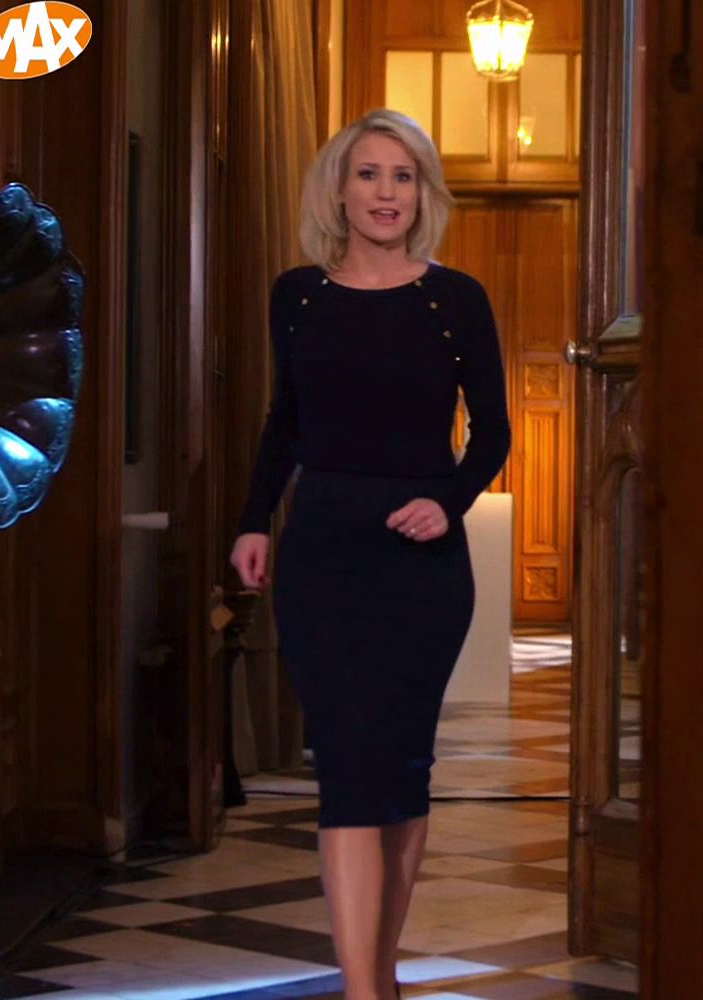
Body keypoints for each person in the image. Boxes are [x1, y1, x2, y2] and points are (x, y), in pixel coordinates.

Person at [228, 108, 510, 1000]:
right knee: (347, 771)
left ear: (423, 194)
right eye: (369, 174)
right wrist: (252, 520)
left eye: (403, 176)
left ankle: (378, 974)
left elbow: (493, 434)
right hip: (322, 549)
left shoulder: (456, 299)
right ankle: (363, 991)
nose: (386, 193)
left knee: (401, 770)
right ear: (339, 190)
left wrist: (447, 502)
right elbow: (284, 423)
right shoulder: (297, 296)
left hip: (422, 562)